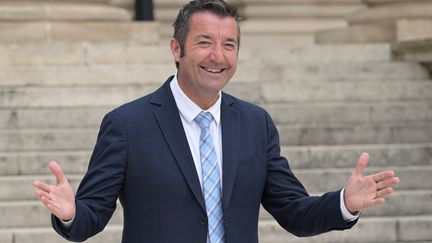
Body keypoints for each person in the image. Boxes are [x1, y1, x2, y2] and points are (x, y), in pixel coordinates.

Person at [33, 0, 400, 242]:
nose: (217, 56)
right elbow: (91, 217)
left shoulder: (256, 124)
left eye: (229, 44)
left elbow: (294, 212)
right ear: (177, 49)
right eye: (205, 42)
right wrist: (71, 213)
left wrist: (344, 203)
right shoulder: (128, 125)